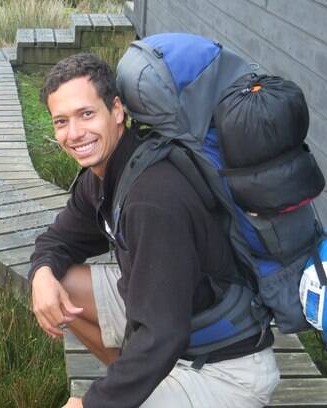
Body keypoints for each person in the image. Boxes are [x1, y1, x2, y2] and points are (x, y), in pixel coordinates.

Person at [29, 53, 280, 408]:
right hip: (175, 325)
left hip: (226, 369)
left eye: (86, 114)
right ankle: (138, 382)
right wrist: (41, 274)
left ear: (117, 111)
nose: (74, 133)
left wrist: (92, 403)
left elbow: (163, 334)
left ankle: (148, 389)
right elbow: (57, 241)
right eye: (61, 121)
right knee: (61, 282)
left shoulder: (152, 197)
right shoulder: (103, 175)